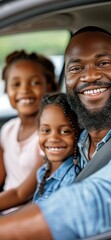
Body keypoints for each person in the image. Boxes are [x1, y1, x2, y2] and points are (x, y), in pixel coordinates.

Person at [0, 26, 111, 240]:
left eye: (103, 63)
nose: (89, 76)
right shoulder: (74, 131)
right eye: (76, 68)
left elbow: (106, 196)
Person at [0, 92, 84, 211]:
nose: (53, 138)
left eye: (65, 131)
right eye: (46, 130)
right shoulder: (44, 170)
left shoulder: (70, 178)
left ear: (79, 133)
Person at [0, 50, 57, 213]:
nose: (24, 90)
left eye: (35, 83)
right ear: (6, 90)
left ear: (50, 86)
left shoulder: (48, 136)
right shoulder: (8, 129)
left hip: (27, 214)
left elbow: (22, 194)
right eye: (16, 84)